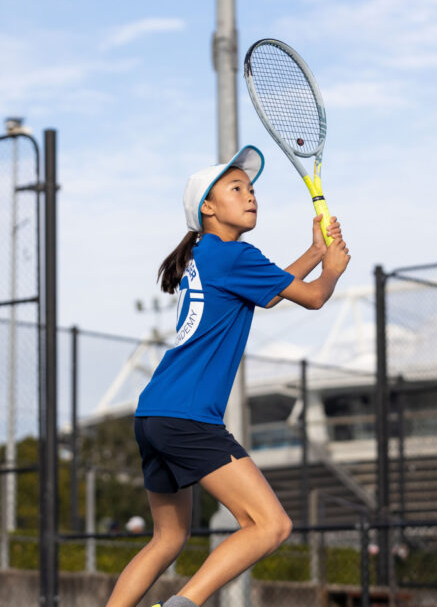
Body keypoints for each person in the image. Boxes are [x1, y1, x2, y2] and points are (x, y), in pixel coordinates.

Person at [105, 145, 350, 607]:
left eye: (252, 188)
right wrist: (331, 271)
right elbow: (313, 298)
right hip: (189, 417)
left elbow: (271, 292)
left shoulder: (208, 255)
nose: (250, 195)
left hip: (154, 413)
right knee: (271, 525)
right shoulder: (237, 255)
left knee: (167, 539)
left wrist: (315, 251)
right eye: (236, 188)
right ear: (208, 209)